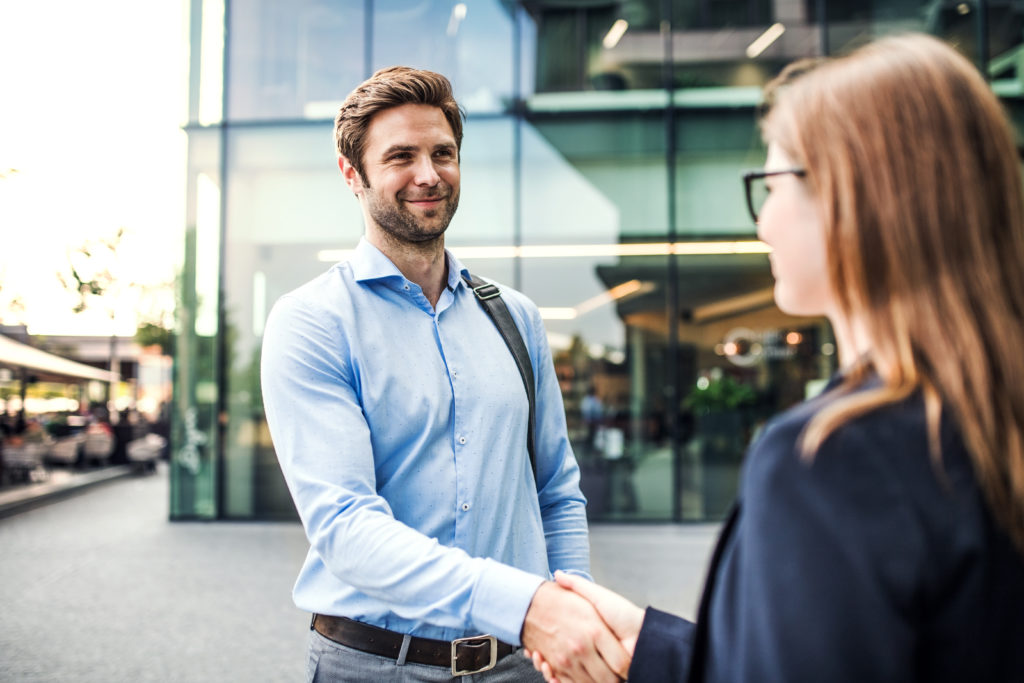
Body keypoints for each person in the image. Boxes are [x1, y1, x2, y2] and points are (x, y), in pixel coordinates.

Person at [528, 33, 1024, 682]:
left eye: (771, 182)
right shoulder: (987, 422)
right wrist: (652, 646)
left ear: (852, 195)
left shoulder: (829, 460)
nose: (762, 223)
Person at [260, 66, 628, 682]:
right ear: (354, 175)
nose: (428, 175)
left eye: (443, 153)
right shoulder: (313, 322)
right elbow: (346, 527)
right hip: (376, 666)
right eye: (401, 156)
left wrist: (573, 614)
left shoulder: (517, 318)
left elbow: (556, 493)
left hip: (521, 666)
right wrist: (528, 606)